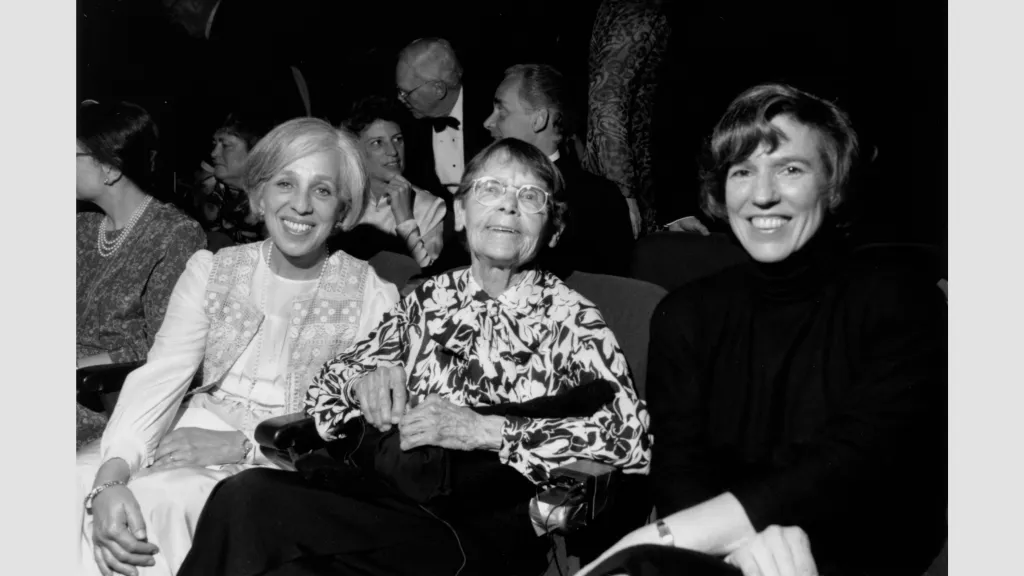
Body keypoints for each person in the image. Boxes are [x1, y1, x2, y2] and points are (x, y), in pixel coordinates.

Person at [175, 138, 652, 576]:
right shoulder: (431, 297)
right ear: (461, 213)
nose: (508, 203)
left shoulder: (570, 318)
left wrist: (485, 430)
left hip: (477, 529)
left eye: (530, 196)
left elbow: (628, 439)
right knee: (245, 496)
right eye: (490, 189)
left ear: (553, 227)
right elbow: (327, 385)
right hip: (386, 498)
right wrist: (363, 382)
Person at [577, 84, 947, 576]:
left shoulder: (902, 298)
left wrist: (658, 537)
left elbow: (855, 465)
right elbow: (679, 474)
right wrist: (731, 554)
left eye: (790, 168)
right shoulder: (685, 314)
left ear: (832, 182)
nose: (763, 194)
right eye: (742, 171)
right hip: (717, 557)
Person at [77, 117, 401, 576]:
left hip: (284, 464)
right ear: (261, 192)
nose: (301, 205)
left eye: (323, 190)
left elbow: (356, 431)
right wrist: (110, 476)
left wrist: (242, 445)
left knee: (159, 503)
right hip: (183, 426)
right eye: (285, 183)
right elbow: (163, 375)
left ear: (343, 205)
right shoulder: (212, 270)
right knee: (74, 483)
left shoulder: (370, 294)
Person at [77, 100, 207, 449]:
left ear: (109, 168)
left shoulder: (175, 234)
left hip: (109, 398)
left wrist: (77, 364)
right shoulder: (81, 227)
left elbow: (166, 346)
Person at [484, 63, 634, 277]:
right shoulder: (485, 183)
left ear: (540, 120)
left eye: (502, 111)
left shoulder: (596, 198)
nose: (487, 122)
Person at [583, 0, 673, 238]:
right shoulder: (639, 6)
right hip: (635, 188)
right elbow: (606, 98)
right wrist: (623, 191)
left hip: (630, 184)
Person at [340, 94, 445, 267]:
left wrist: (405, 219)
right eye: (377, 143)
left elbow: (424, 278)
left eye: (397, 140)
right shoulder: (340, 198)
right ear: (355, 151)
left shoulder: (430, 207)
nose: (393, 151)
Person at [189, 110, 275, 251]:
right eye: (214, 144)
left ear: (255, 152)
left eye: (226, 146)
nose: (214, 153)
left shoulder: (275, 206)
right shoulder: (210, 194)